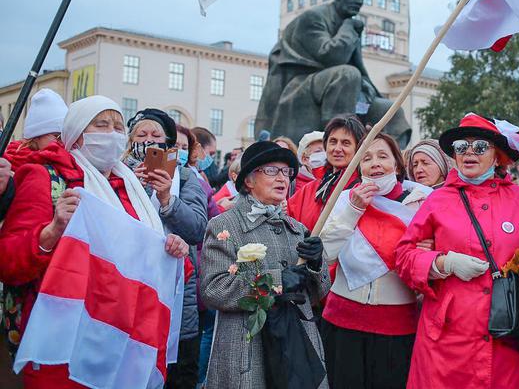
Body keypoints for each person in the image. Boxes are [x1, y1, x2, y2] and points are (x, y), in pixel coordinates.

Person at [0, 96, 189, 387]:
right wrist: (52, 231)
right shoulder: (45, 177)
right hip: (68, 335)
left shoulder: (131, 188)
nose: (112, 134)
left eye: (117, 126)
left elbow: (144, 258)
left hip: (119, 337)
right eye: (101, 125)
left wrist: (174, 250)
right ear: (76, 135)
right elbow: (8, 261)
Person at [395, 113, 519, 389]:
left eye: (480, 146)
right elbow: (404, 256)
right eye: (461, 146)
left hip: (506, 338)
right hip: (447, 341)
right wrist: (442, 263)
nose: (469, 152)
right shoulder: (437, 200)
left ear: (497, 156)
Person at [200, 141, 331, 389]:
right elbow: (214, 289)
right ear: (249, 180)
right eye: (271, 170)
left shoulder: (298, 230)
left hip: (296, 349)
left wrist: (315, 265)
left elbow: (318, 294)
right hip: (248, 349)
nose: (282, 178)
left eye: (286, 172)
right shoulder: (224, 226)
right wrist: (277, 281)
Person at [319, 133, 432, 388]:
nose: (375, 163)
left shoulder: (422, 203)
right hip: (341, 322)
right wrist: (353, 210)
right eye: (367, 158)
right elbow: (325, 254)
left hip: (396, 326)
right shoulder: (344, 199)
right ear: (358, 166)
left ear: (397, 164)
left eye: (383, 156)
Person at [254, 0, 411, 147]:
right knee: (347, 75)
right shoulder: (314, 18)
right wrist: (349, 29)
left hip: (337, 85)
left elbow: (359, 68)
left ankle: (393, 161)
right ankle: (336, 140)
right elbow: (332, 57)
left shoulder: (348, 24)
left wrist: (368, 89)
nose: (358, 1)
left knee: (390, 109)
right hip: (299, 86)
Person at [124, 109, 208, 389]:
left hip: (177, 294)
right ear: (130, 141)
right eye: (142, 135)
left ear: (168, 143)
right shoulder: (118, 173)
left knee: (178, 373)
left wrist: (165, 198)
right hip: (131, 290)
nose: (149, 141)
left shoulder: (184, 176)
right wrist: (133, 186)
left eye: (156, 135)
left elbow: (197, 228)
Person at [287, 115, 367, 233]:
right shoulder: (309, 189)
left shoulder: (362, 191)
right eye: (333, 142)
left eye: (345, 143)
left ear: (358, 149)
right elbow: (288, 223)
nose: (337, 148)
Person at [1, 89, 68, 220]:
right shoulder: (7, 169)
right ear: (36, 137)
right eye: (57, 136)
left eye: (65, 137)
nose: (62, 143)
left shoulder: (67, 166)